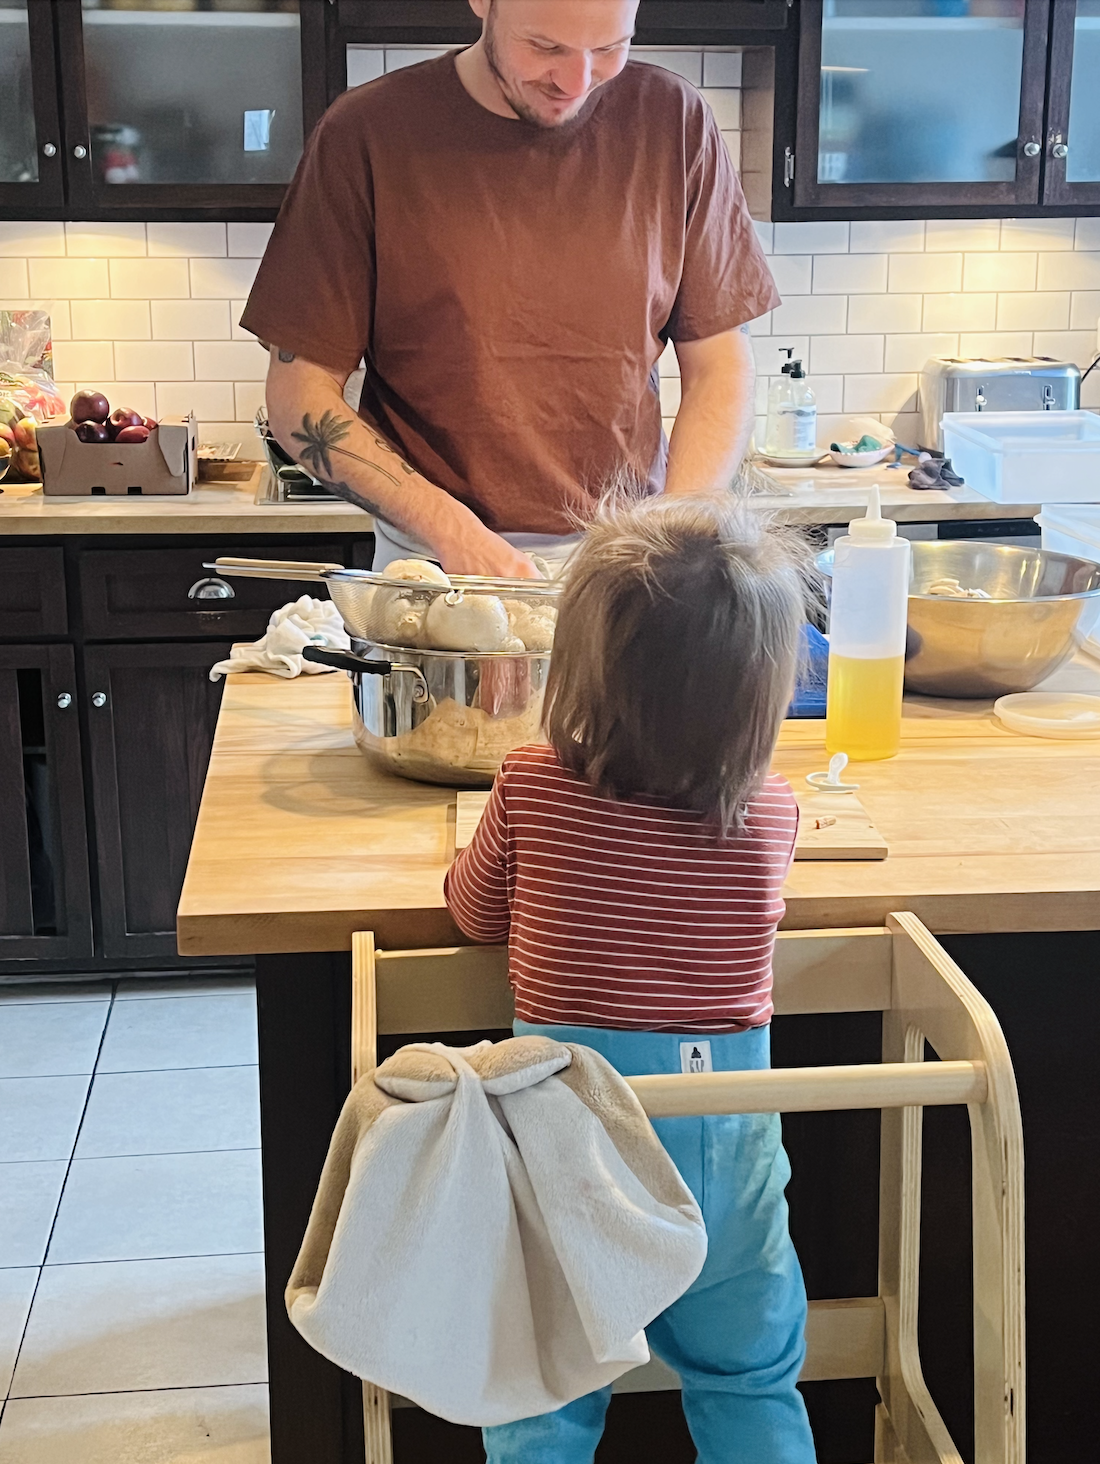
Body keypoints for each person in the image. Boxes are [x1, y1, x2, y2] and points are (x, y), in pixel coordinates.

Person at [444, 495, 817, 1464]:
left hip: (571, 1157)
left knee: (546, 1400)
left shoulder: (528, 786)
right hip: (725, 1172)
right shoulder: (767, 817)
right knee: (749, 1383)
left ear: (575, 674)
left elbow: (471, 913)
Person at [240, 0, 778, 577]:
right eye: (544, 47)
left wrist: (676, 531)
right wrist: (451, 531)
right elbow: (300, 394)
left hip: (625, 565)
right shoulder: (366, 133)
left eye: (608, 49)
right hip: (436, 565)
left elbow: (720, 362)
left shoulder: (674, 121)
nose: (576, 83)